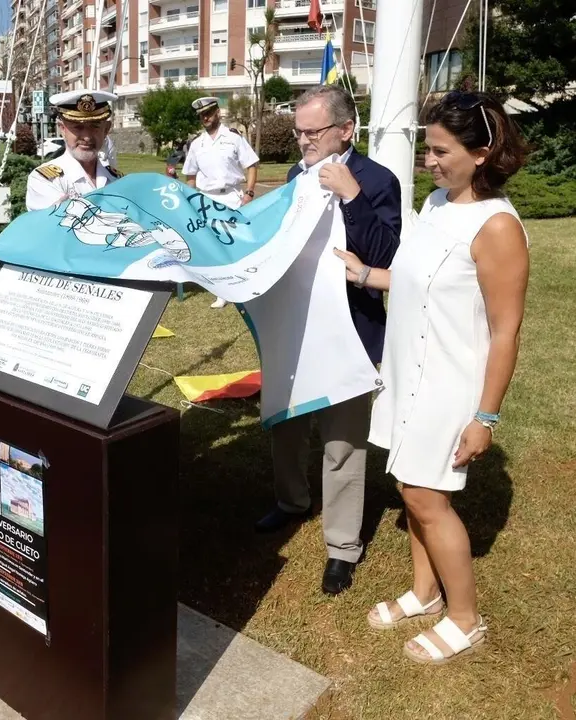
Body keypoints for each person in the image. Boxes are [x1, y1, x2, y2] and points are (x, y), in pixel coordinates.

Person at [336, 92, 527, 664]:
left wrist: (485, 416)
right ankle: (424, 592)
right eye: (428, 148)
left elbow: (505, 331)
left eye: (441, 151)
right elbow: (416, 277)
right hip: (404, 371)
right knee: (408, 488)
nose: (430, 161)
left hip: (449, 382)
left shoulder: (497, 227)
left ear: (483, 152)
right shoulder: (440, 202)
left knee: (425, 494)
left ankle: (464, 618)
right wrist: (366, 273)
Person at [254, 85, 402, 596]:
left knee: (342, 442)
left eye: (312, 132)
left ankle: (341, 546)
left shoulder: (377, 181)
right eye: (298, 132)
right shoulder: (297, 176)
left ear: (346, 130)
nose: (302, 142)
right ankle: (291, 501)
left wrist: (352, 197)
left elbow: (387, 256)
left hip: (351, 331)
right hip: (296, 327)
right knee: (286, 425)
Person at [184, 97, 261, 309]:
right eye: (201, 115)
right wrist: (190, 202)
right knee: (214, 246)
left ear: (218, 112)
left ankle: (246, 286)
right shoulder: (197, 144)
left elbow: (252, 165)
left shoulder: (234, 138)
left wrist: (250, 193)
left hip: (232, 197)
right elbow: (190, 176)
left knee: (238, 243)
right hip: (206, 199)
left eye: (208, 113)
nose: (205, 118)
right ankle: (222, 291)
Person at [25, 90, 122, 211]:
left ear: (106, 129)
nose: (87, 137)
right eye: (78, 127)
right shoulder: (44, 180)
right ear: (62, 129)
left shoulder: (117, 179)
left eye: (95, 126)